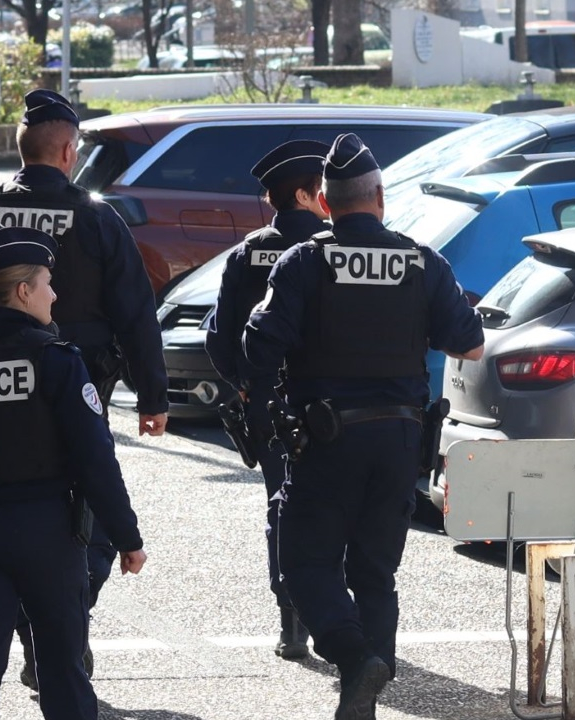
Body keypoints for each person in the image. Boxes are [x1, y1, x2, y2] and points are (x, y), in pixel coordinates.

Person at [243, 133, 484, 720]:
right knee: (375, 574)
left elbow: (258, 347)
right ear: (380, 197)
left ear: (324, 203)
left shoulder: (304, 262)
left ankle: (354, 660)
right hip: (399, 441)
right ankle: (364, 697)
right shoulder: (422, 261)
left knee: (305, 565)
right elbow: (470, 345)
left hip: (327, 441)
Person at [0, 226, 148, 720]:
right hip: (46, 533)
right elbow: (95, 459)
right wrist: (127, 537)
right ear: (23, 291)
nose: (54, 295)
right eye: (47, 283)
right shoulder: (55, 360)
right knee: (62, 672)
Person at [0, 88, 168, 686]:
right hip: (78, 391)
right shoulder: (96, 216)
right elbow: (136, 313)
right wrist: (153, 397)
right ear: (67, 152)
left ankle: (45, 636)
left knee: (1, 516)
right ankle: (57, 635)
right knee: (92, 521)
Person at [205, 139, 331, 660]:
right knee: (336, 508)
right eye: (322, 188)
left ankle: (291, 624)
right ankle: (334, 619)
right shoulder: (333, 247)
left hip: (269, 404)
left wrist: (244, 383)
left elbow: (218, 336)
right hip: (330, 403)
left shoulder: (246, 252)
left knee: (283, 506)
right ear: (303, 195)